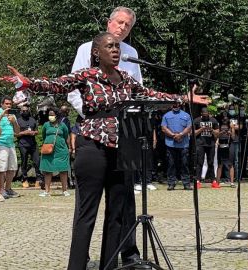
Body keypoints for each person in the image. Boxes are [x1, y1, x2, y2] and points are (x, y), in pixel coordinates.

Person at [0, 32, 201, 270]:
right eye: (110, 46)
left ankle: (108, 266)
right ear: (97, 52)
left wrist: (182, 98)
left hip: (122, 149)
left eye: (117, 46)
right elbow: (57, 84)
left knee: (116, 214)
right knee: (87, 214)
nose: (116, 50)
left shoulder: (126, 78)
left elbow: (151, 95)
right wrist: (28, 82)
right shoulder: (88, 76)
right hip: (92, 147)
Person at [69, 6, 142, 266]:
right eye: (119, 22)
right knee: (88, 202)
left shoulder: (132, 54)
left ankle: (126, 251)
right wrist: (93, 114)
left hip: (125, 133)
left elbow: (138, 93)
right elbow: (72, 89)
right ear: (110, 22)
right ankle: (82, 256)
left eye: (127, 25)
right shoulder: (86, 49)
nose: (122, 28)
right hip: (94, 129)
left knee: (123, 201)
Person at [0, 96, 20, 199]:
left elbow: (17, 132)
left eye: (10, 104)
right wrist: (2, 114)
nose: (8, 106)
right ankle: (1, 190)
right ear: (2, 104)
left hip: (11, 144)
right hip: (1, 144)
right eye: (6, 104)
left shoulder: (12, 115)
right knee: (1, 168)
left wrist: (14, 122)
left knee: (12, 168)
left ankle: (8, 188)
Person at [39, 107, 71, 197]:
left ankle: (64, 190)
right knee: (47, 170)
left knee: (63, 170)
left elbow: (66, 136)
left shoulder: (62, 125)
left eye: (52, 115)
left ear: (57, 115)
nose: (50, 116)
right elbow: (44, 135)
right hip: (48, 150)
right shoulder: (46, 125)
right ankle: (47, 191)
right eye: (49, 115)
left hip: (61, 150)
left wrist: (70, 148)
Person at [162, 102, 193, 190]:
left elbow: (189, 127)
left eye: (177, 105)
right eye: (174, 105)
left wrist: (181, 135)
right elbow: (164, 128)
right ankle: (171, 183)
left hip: (184, 144)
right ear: (171, 105)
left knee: (185, 164)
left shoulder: (186, 115)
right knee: (171, 164)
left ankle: (186, 184)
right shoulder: (166, 115)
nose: (176, 106)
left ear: (180, 105)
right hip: (170, 143)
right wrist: (173, 135)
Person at [16, 104, 43, 188]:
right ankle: (24, 179)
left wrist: (34, 132)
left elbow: (37, 131)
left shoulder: (32, 120)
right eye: (23, 111)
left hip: (33, 144)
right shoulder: (18, 121)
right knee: (24, 162)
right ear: (21, 112)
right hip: (23, 144)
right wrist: (24, 133)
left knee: (37, 161)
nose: (25, 112)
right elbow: (15, 134)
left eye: (26, 111)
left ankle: (38, 179)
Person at [193, 107, 219, 183]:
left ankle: (213, 179)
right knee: (199, 162)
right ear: (201, 114)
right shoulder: (197, 120)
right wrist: (201, 129)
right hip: (200, 144)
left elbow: (217, 133)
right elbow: (192, 133)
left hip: (211, 144)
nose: (206, 116)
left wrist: (212, 130)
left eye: (207, 114)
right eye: (204, 115)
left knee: (211, 162)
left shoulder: (213, 120)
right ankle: (198, 179)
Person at [216, 117, 236, 186]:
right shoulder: (219, 125)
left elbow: (233, 137)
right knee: (220, 164)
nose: (225, 120)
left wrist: (231, 131)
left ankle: (232, 182)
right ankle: (217, 182)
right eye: (224, 119)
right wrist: (222, 132)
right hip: (221, 146)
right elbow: (216, 135)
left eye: (226, 119)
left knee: (230, 164)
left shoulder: (231, 126)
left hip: (229, 146)